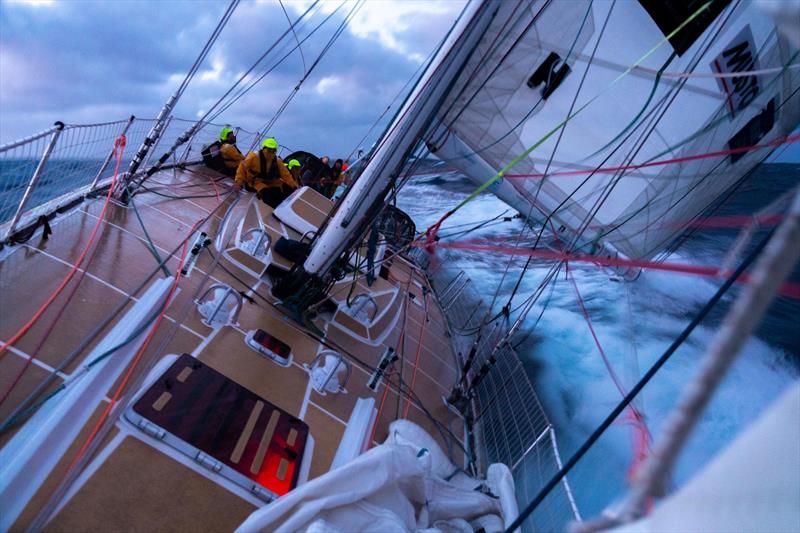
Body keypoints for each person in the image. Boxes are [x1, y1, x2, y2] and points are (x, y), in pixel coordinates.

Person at [235, 137, 298, 207]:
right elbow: (242, 167)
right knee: (267, 194)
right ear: (264, 148)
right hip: (255, 183)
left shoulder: (277, 161)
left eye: (273, 149)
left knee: (283, 192)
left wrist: (294, 186)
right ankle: (274, 208)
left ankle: (286, 207)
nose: (271, 151)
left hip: (271, 183)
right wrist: (239, 182)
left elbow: (286, 175)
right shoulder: (254, 156)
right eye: (269, 149)